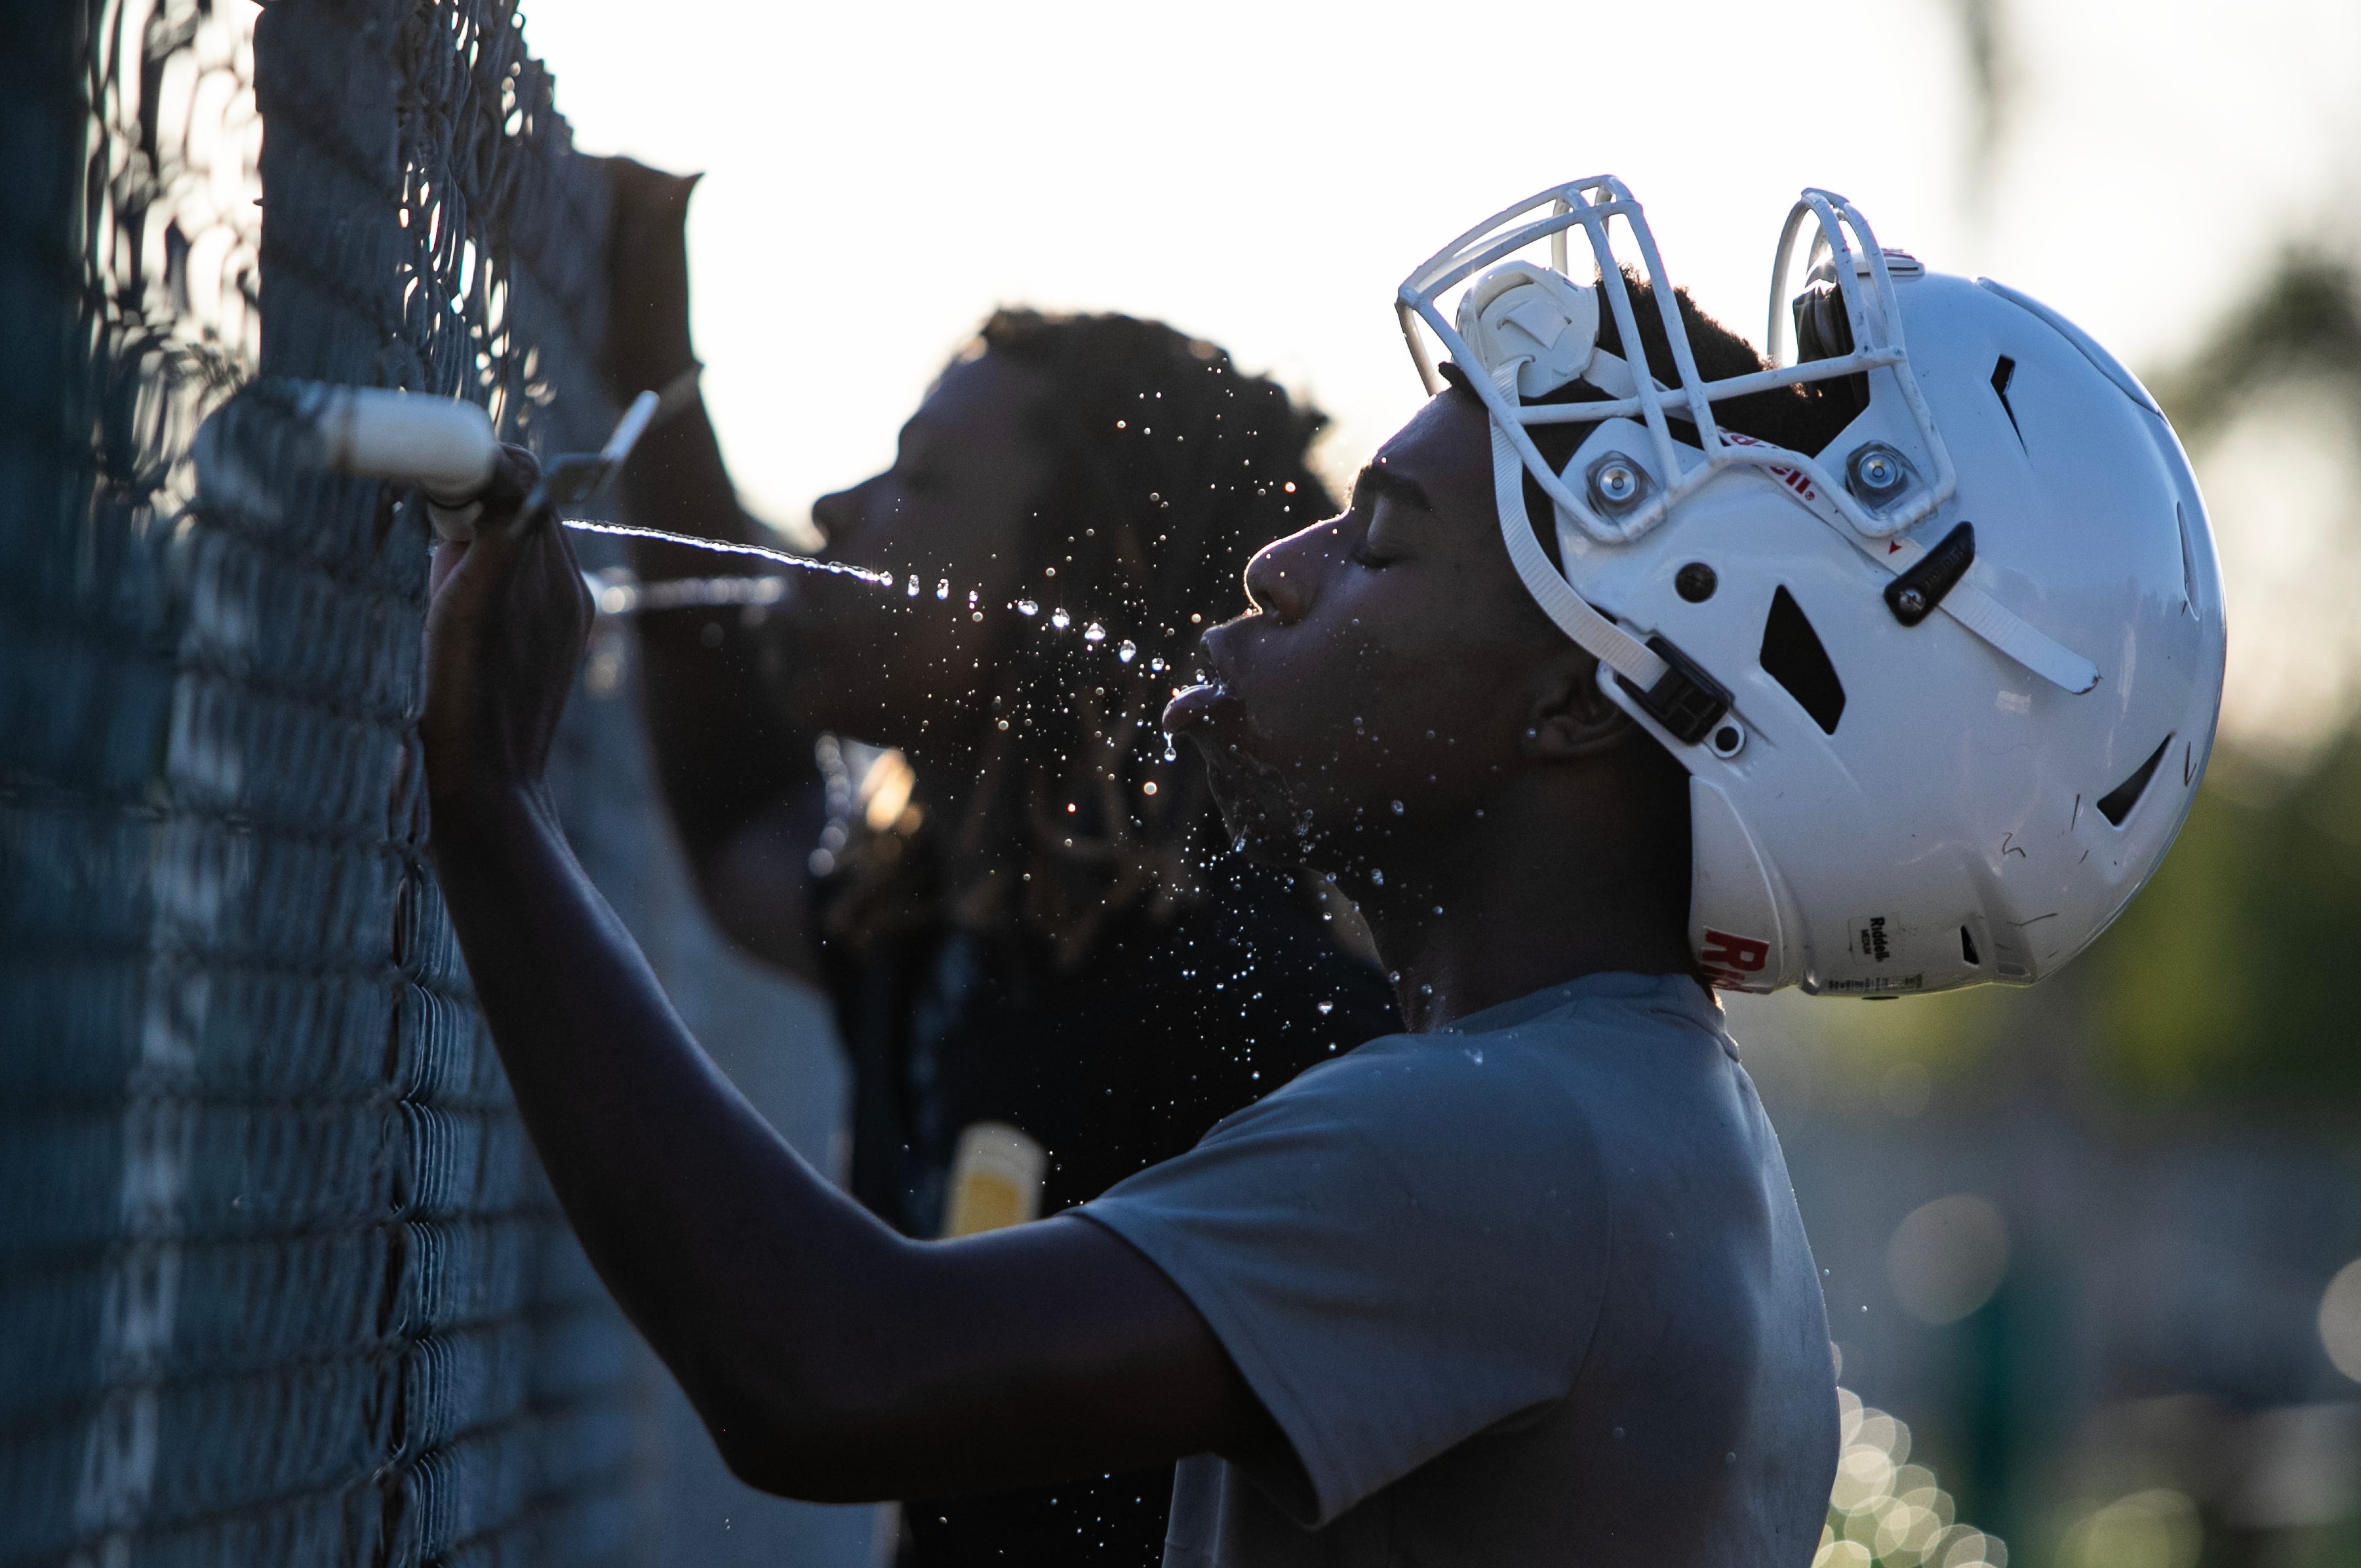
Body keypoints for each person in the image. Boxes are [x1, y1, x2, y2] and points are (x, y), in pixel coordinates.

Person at [419, 177, 2223, 1565]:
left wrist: (488, 810)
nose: (1278, 569)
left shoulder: (1510, 1138)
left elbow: (824, 1366)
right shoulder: (1633, 1108)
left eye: (1382, 539)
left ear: (1591, 708)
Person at [597, 161, 1399, 1561]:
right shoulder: (958, 926)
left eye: (921, 478)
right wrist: (660, 367)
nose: (839, 508)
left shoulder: (1259, 1007)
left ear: (1070, 583)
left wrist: (485, 804)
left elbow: (843, 1377)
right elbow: (736, 805)